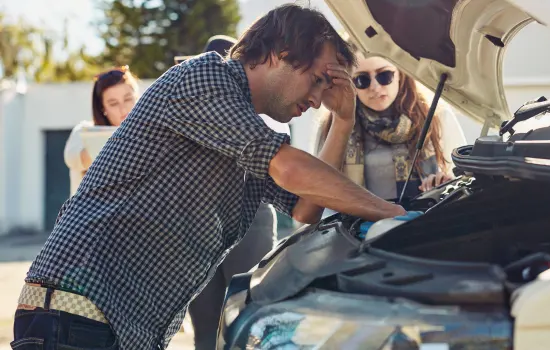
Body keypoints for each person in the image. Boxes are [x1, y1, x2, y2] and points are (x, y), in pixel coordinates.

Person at [13, 4, 405, 350]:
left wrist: (343, 120)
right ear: (281, 54)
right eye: (318, 79)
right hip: (74, 314)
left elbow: (306, 208)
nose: (318, 97)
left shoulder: (244, 134)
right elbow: (290, 167)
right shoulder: (205, 77)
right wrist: (392, 214)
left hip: (114, 328)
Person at [176, 34, 286, 350]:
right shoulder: (190, 108)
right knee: (206, 328)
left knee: (252, 319)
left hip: (250, 221)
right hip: (197, 226)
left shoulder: (267, 106)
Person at [313, 41, 466, 202]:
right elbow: (320, 190)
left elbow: (462, 179)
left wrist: (442, 184)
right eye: (362, 80)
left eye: (384, 76)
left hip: (429, 220)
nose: (375, 87)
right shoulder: (335, 125)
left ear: (400, 73)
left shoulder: (437, 116)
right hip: (364, 225)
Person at [64, 66, 140, 194]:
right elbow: (72, 158)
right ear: (102, 108)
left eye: (127, 99)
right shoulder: (83, 132)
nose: (123, 109)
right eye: (113, 103)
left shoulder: (152, 133)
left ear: (137, 97)